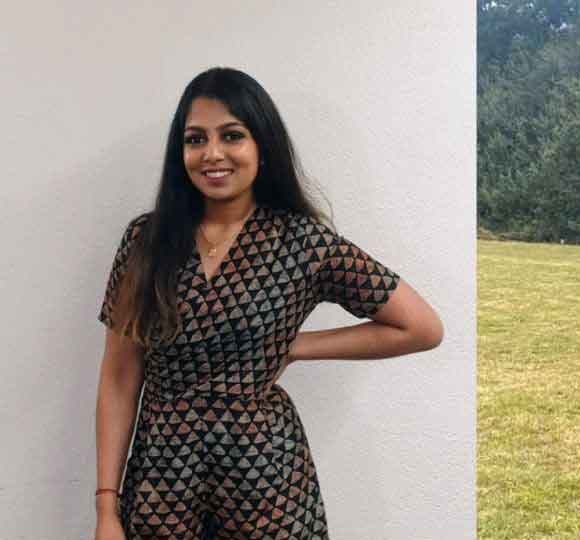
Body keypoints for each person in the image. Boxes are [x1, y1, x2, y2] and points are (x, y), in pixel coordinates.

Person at [93, 67, 444, 540]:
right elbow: (119, 377)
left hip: (266, 483)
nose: (212, 154)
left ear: (262, 146)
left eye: (232, 135)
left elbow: (420, 327)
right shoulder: (146, 241)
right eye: (195, 139)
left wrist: (296, 345)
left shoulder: (302, 242)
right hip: (162, 483)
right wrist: (106, 509)